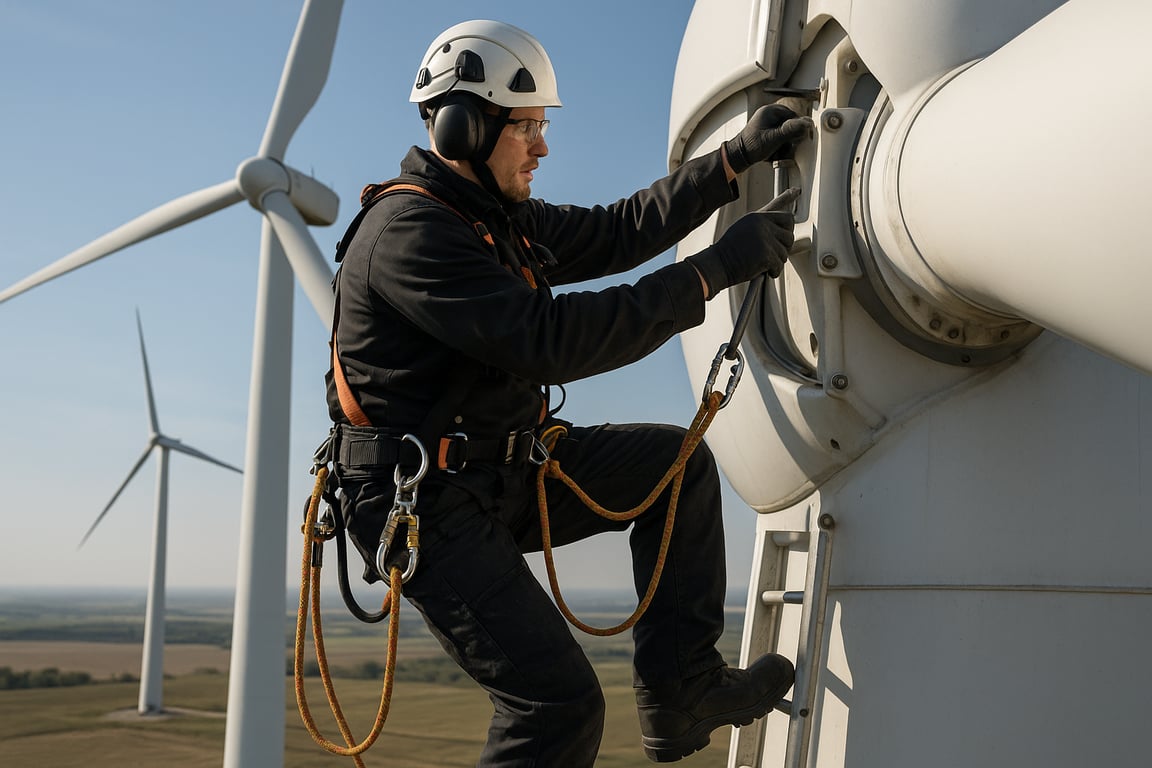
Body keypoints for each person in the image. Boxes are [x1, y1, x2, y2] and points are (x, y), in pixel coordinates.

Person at [324, 19, 812, 766]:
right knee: (556, 705)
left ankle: (682, 691)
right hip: (423, 501)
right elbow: (551, 339)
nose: (543, 147)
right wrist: (713, 271)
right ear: (465, 128)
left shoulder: (495, 221)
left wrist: (731, 162)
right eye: (527, 128)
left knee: (672, 467)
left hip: (500, 472)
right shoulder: (410, 234)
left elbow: (617, 231)